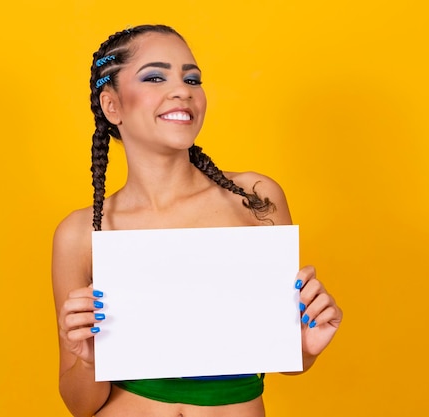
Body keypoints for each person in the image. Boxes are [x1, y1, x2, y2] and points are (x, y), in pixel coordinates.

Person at [52, 24, 343, 417]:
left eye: (192, 79)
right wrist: (86, 359)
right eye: (156, 76)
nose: (182, 90)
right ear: (112, 106)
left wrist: (305, 346)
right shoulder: (80, 233)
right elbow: (80, 404)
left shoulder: (255, 198)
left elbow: (286, 358)